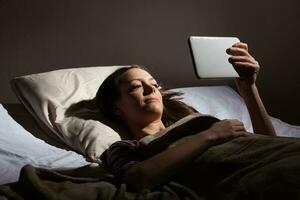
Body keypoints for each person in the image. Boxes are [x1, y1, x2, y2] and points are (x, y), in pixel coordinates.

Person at [95, 42, 299, 198]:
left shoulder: (194, 120)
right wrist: (210, 135)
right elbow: (138, 177)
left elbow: (268, 144)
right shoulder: (125, 147)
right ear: (116, 107)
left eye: (154, 85)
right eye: (135, 87)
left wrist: (248, 87)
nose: (151, 89)